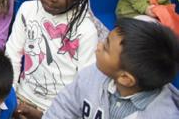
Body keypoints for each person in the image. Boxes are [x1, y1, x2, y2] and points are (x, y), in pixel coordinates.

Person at [6, 0, 97, 118]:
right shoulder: (27, 10)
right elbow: (12, 54)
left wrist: (45, 114)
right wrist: (11, 97)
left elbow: (85, 83)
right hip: (21, 97)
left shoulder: (86, 30)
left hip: (60, 109)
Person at [44, 18, 179, 118]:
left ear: (125, 78)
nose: (99, 46)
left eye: (106, 48)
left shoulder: (162, 114)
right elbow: (63, 106)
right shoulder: (92, 75)